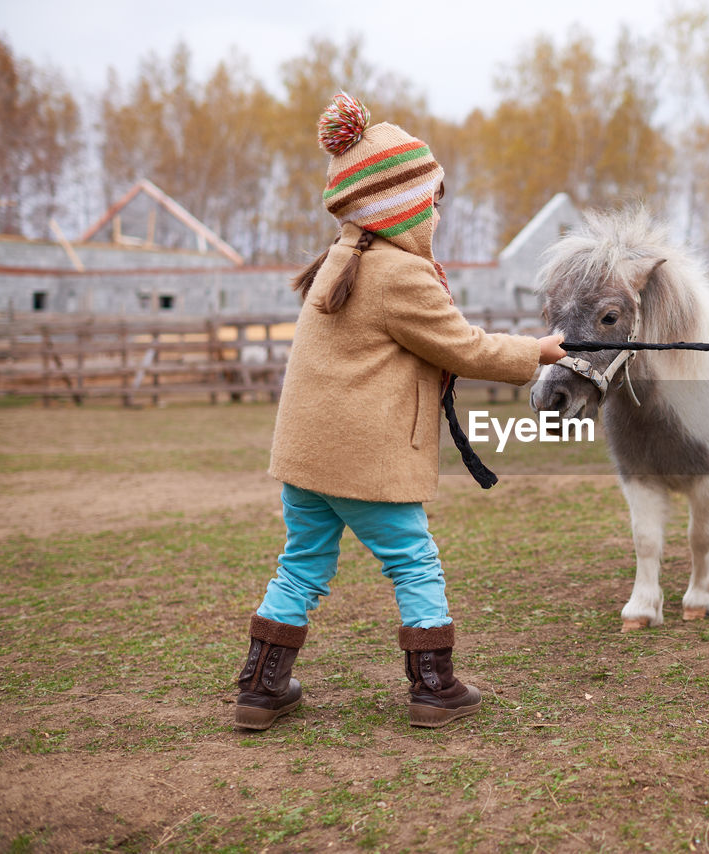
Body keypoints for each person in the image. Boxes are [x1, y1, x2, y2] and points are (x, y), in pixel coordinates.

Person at [234, 93, 566, 731]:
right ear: (405, 206)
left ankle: (260, 688)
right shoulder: (399, 275)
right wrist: (539, 350)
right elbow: (464, 346)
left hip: (307, 456)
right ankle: (433, 686)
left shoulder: (342, 259)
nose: (438, 212)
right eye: (434, 199)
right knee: (414, 559)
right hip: (364, 458)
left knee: (301, 561)